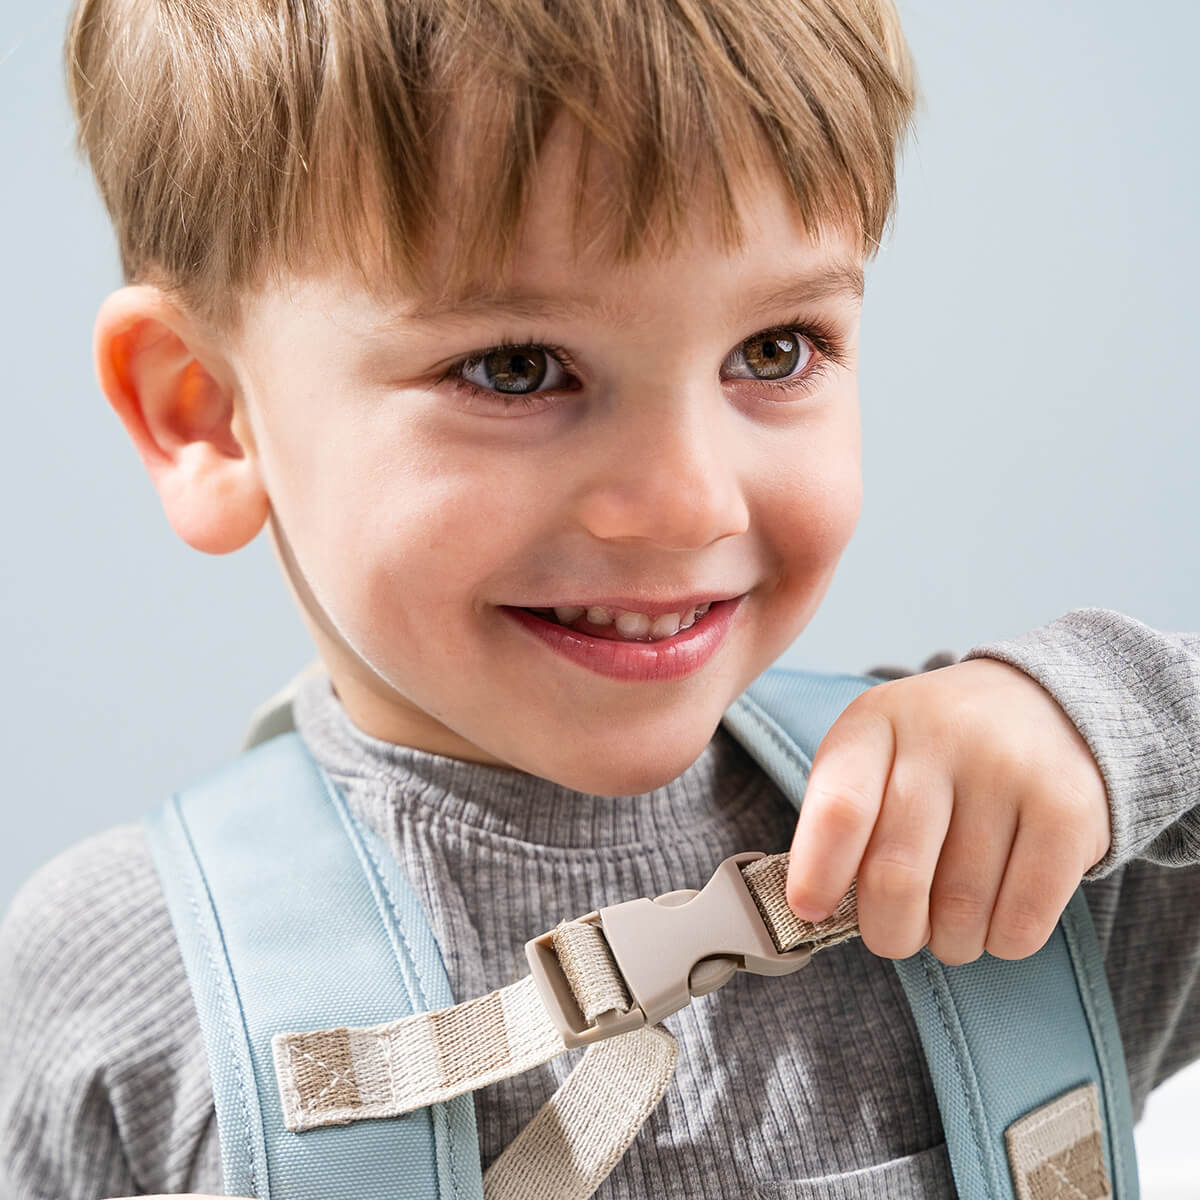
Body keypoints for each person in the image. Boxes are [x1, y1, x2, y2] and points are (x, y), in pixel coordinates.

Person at [1, 0, 1197, 1196]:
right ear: (204, 410)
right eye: (515, 368)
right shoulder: (122, 980)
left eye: (776, 350)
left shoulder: (1003, 855)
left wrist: (1110, 718)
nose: (690, 506)